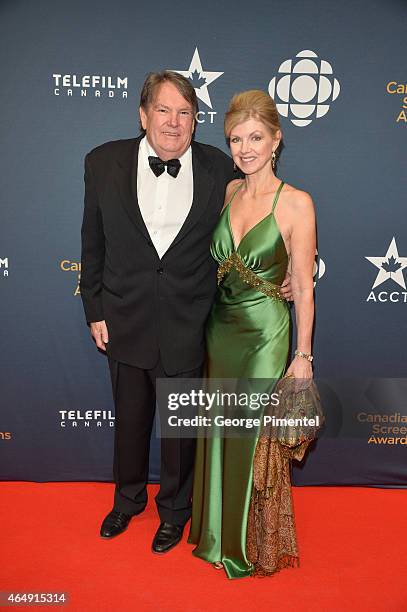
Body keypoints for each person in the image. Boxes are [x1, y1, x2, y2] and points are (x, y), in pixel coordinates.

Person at [80, 72, 292, 554]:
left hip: (190, 322)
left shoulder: (221, 169)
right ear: (143, 114)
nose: (174, 123)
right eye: (164, 110)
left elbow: (257, 217)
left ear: (197, 122)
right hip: (124, 316)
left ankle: (175, 512)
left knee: (180, 431)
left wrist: (283, 274)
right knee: (129, 421)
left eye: (185, 113)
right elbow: (91, 242)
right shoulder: (102, 162)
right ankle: (127, 500)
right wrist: (94, 307)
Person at [189, 90, 316, 578]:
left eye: (255, 137)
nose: (244, 149)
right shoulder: (229, 193)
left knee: (251, 433)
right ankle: (216, 534)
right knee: (220, 428)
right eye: (235, 139)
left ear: (276, 139)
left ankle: (246, 543)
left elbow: (302, 285)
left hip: (266, 333)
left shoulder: (297, 203)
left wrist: (302, 356)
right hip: (220, 330)